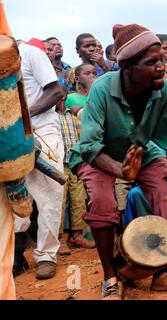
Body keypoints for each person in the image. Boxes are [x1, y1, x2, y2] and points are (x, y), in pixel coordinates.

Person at [69, 24, 167, 299]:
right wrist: (121, 171)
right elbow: (90, 146)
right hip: (99, 154)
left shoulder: (165, 91)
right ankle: (110, 277)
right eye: (152, 62)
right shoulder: (102, 89)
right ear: (127, 68)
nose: (162, 66)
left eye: (162, 59)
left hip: (141, 150)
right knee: (103, 201)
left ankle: (162, 271)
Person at [15, 39, 65, 279]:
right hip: (9, 140)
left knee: (48, 198)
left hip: (42, 132)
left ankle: (46, 255)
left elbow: (56, 91)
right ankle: (14, 257)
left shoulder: (29, 53)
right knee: (11, 200)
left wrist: (23, 118)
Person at [55, 87, 95, 252]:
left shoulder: (73, 117)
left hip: (74, 164)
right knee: (60, 201)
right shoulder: (50, 118)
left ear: (64, 96)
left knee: (79, 199)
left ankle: (77, 234)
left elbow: (81, 138)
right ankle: (59, 237)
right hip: (57, 164)